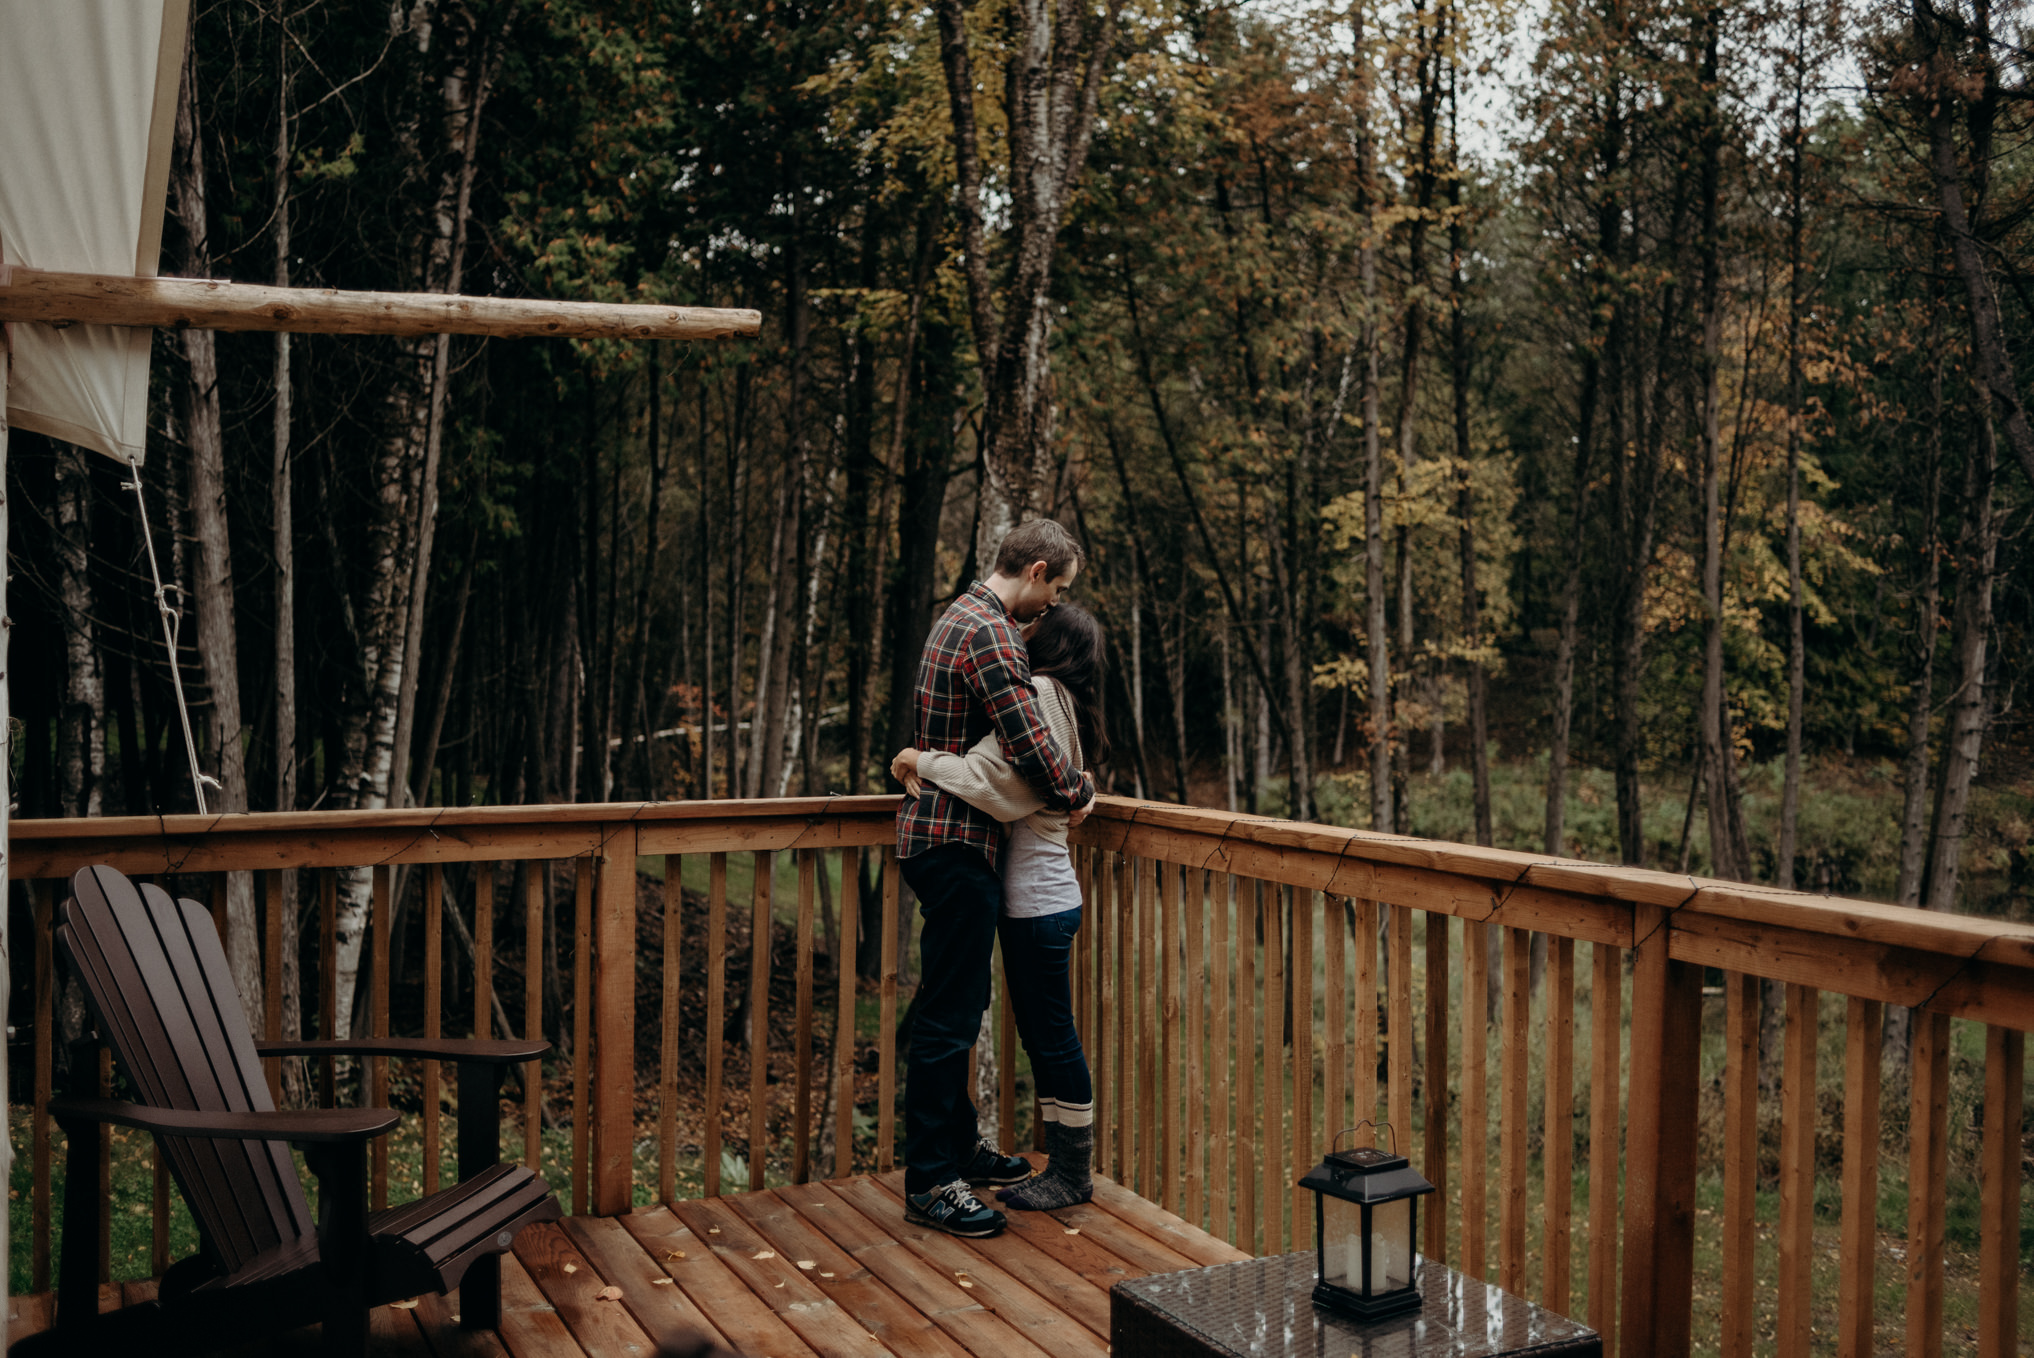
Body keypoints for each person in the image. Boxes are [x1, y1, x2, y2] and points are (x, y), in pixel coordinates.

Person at [894, 520, 1096, 1238]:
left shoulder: (962, 613)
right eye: (1056, 592)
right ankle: (931, 1182)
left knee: (959, 1004)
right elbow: (1032, 749)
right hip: (953, 843)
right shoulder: (992, 632)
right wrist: (1078, 792)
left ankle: (957, 1150)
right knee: (950, 1018)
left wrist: (921, 758)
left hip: (948, 841)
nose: (1050, 610)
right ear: (1036, 571)